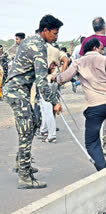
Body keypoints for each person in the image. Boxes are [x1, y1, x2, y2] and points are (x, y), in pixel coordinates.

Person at [54, 38, 106, 171]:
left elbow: (64, 78)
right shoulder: (105, 59)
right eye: (101, 48)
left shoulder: (78, 62)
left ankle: (103, 171)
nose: (103, 51)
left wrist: (53, 77)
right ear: (95, 48)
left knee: (92, 143)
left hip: (96, 106)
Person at [3, 15, 63, 189]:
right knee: (27, 128)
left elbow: (32, 68)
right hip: (16, 91)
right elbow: (42, 83)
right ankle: (24, 176)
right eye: (54, 33)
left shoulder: (30, 41)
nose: (56, 37)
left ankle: (20, 163)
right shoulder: (38, 46)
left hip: (17, 90)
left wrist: (46, 67)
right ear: (45, 30)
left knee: (34, 122)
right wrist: (54, 102)